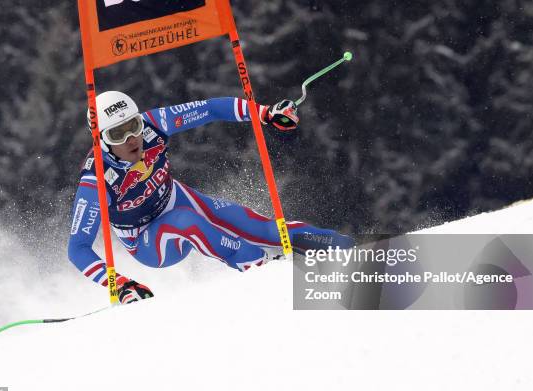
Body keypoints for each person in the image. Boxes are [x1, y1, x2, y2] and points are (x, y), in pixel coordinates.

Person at [68, 91, 352, 304]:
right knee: (185, 221)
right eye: (119, 133)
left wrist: (264, 112)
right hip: (148, 241)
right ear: (102, 139)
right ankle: (260, 269)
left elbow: (211, 109)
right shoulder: (97, 180)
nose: (132, 138)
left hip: (177, 198)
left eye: (134, 125)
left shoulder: (154, 124)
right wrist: (120, 285)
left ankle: (351, 250)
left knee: (263, 229)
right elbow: (77, 248)